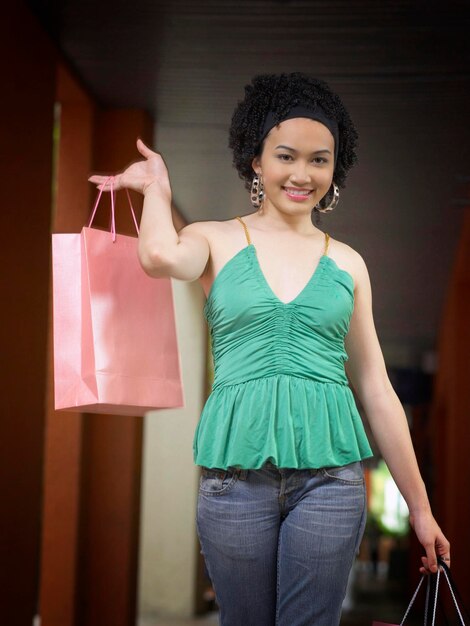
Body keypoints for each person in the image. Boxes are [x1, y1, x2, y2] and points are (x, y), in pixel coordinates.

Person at [89, 72, 450, 626]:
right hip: (235, 481)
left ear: (335, 168)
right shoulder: (213, 239)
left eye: (319, 160)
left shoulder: (349, 263)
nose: (302, 174)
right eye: (286, 156)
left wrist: (420, 510)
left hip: (331, 481)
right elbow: (159, 258)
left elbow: (376, 388)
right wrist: (157, 189)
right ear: (256, 161)